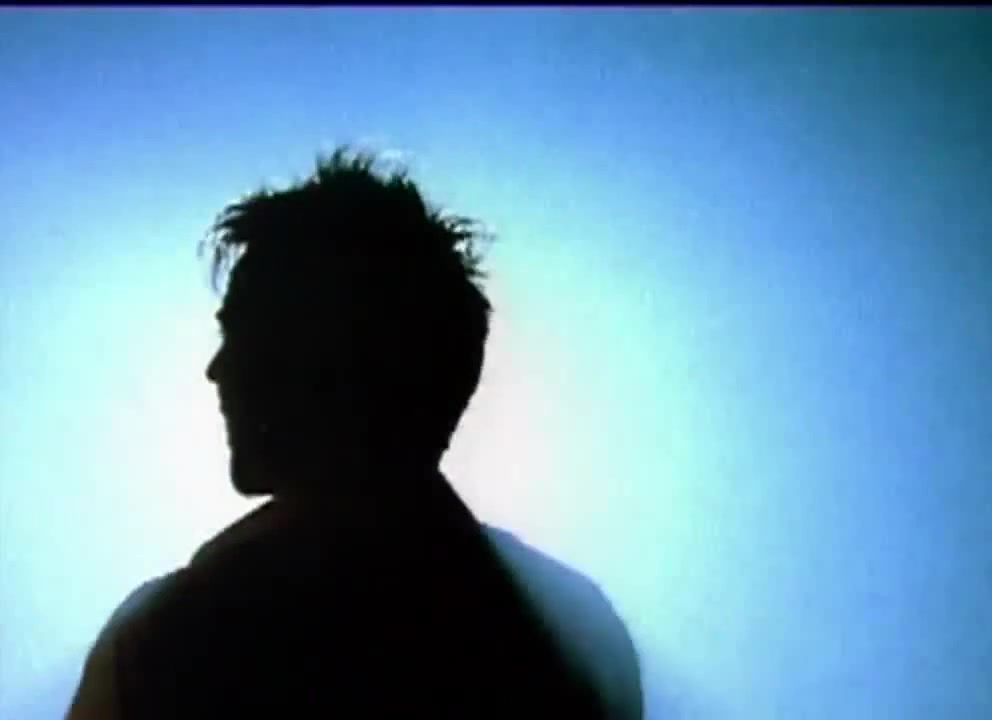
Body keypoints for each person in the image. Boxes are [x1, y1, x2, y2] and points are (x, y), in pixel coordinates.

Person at [66, 148, 643, 719]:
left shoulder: (173, 640)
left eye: (250, 337)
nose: (219, 370)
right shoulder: (579, 634)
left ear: (337, 363)